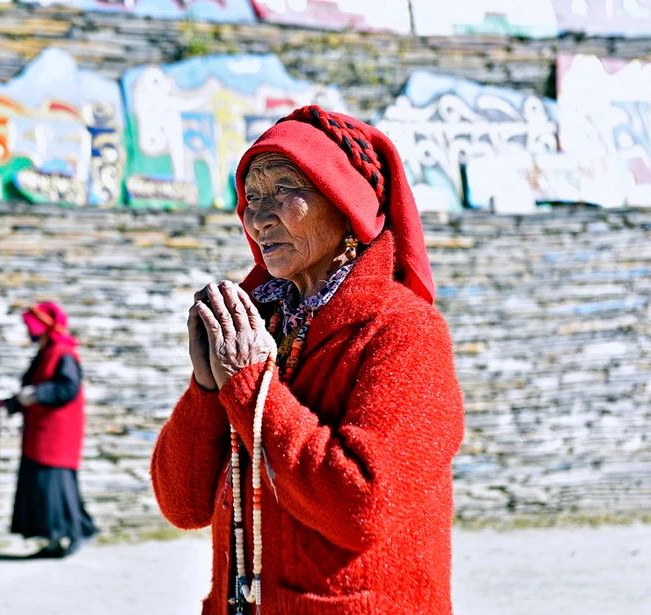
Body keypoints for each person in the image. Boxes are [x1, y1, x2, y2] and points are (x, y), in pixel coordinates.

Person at [150, 106, 465, 614]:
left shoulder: (403, 333)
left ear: (345, 203)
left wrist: (251, 386)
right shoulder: (262, 325)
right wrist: (209, 390)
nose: (259, 216)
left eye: (285, 189)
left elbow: (361, 504)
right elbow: (182, 504)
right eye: (252, 196)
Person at [0, 301, 97, 558]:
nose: (28, 331)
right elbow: (32, 388)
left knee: (54, 485)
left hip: (56, 434)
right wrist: (9, 403)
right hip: (40, 431)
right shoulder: (46, 352)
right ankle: (53, 537)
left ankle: (72, 533)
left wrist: (36, 394)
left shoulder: (63, 353)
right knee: (41, 484)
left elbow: (67, 388)